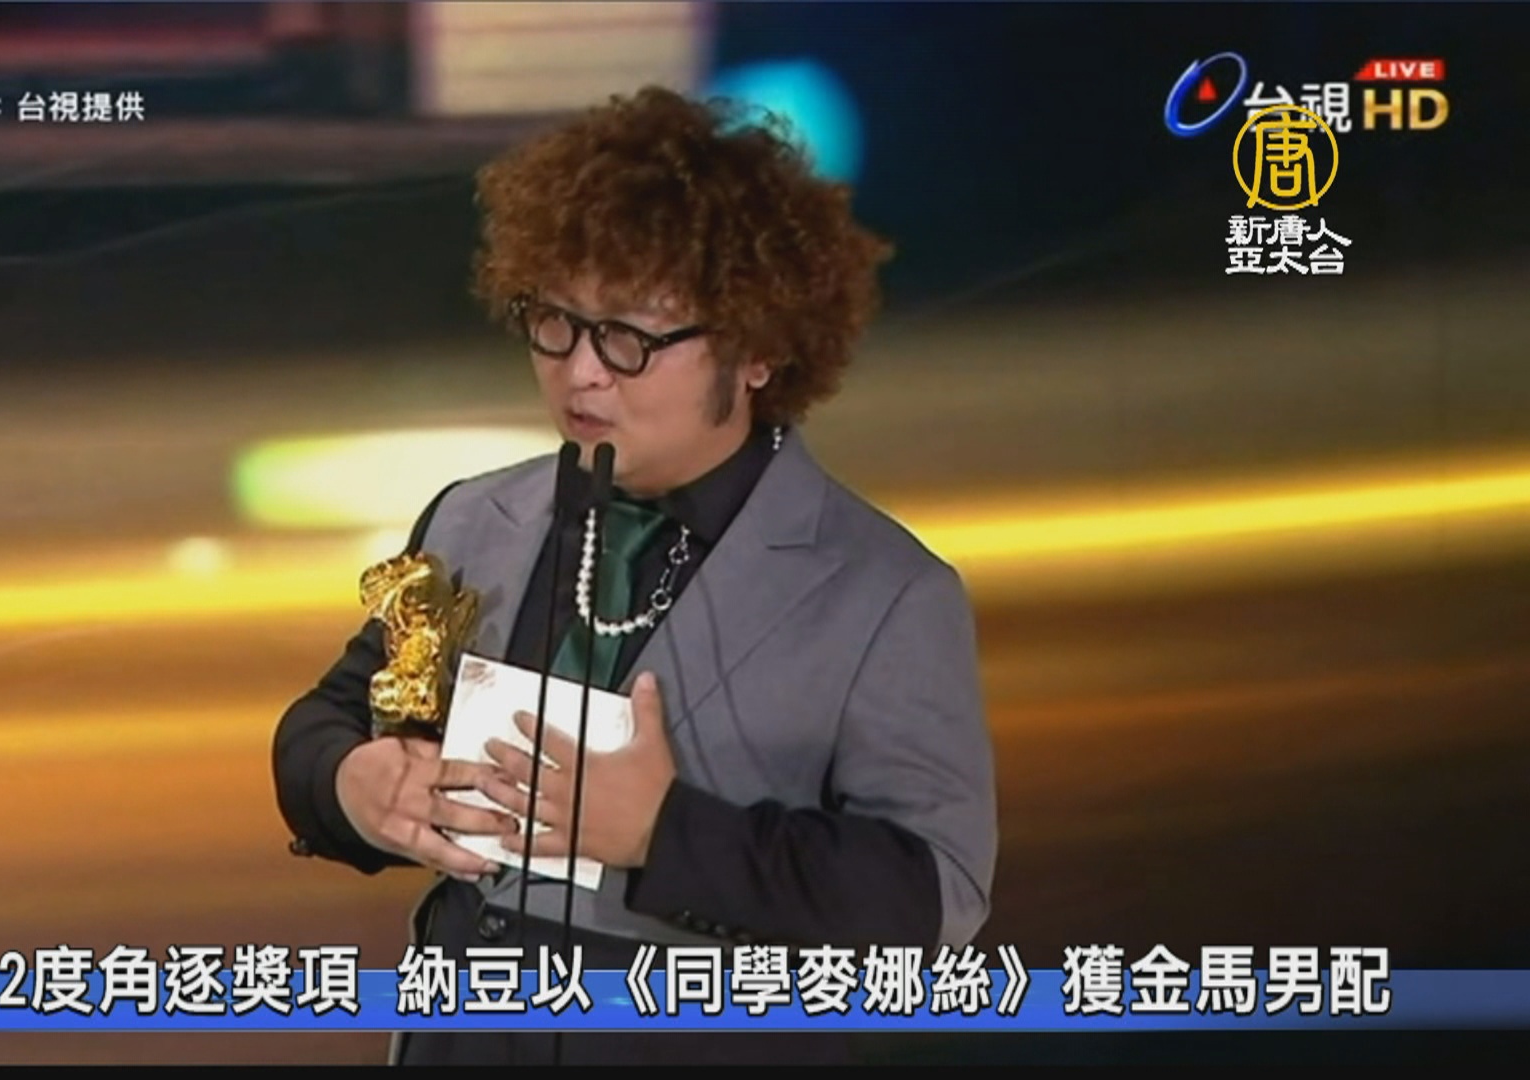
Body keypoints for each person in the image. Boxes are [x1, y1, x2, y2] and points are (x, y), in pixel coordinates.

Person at [272, 85, 997, 1065]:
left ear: (757, 348)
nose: (581, 373)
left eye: (630, 339)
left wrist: (666, 833)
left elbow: (935, 899)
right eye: (554, 322)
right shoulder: (475, 519)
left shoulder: (884, 594)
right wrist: (349, 784)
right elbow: (333, 715)